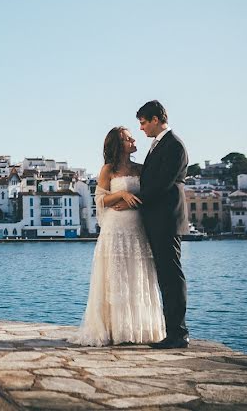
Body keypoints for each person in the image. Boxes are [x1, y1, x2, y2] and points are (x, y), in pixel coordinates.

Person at [70, 127, 166, 346]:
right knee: (115, 277)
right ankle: (114, 329)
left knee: (136, 274)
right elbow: (100, 200)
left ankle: (136, 329)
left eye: (131, 136)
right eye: (126, 138)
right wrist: (121, 194)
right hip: (115, 228)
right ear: (117, 145)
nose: (133, 139)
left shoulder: (143, 168)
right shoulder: (108, 170)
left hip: (137, 228)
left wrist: (134, 198)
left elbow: (151, 194)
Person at [136, 100, 190, 349]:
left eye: (144, 122)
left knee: (171, 275)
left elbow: (162, 184)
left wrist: (133, 201)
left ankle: (178, 334)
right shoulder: (160, 145)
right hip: (158, 218)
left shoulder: (174, 145)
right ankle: (173, 332)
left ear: (156, 119)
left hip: (166, 218)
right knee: (166, 276)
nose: (142, 128)